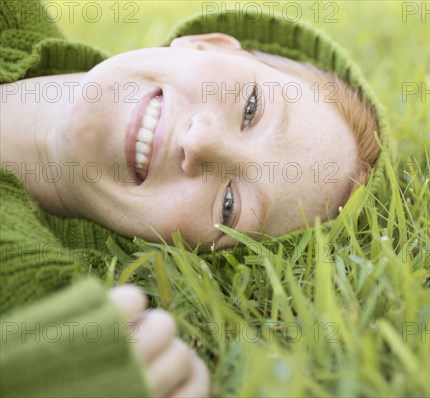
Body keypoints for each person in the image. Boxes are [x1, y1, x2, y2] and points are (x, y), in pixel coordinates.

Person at [0, 0, 389, 396]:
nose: (199, 141)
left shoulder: (37, 311)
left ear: (181, 251)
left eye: (228, 206)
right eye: (252, 108)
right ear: (208, 45)